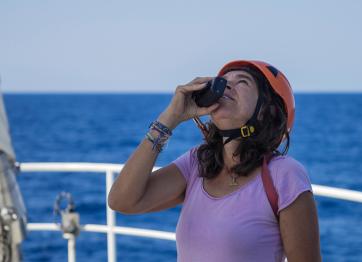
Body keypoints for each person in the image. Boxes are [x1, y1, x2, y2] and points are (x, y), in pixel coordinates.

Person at [108, 60, 322, 261]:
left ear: (267, 110)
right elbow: (122, 201)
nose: (227, 86)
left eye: (242, 82)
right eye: (224, 82)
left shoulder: (283, 174)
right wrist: (170, 118)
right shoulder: (197, 162)